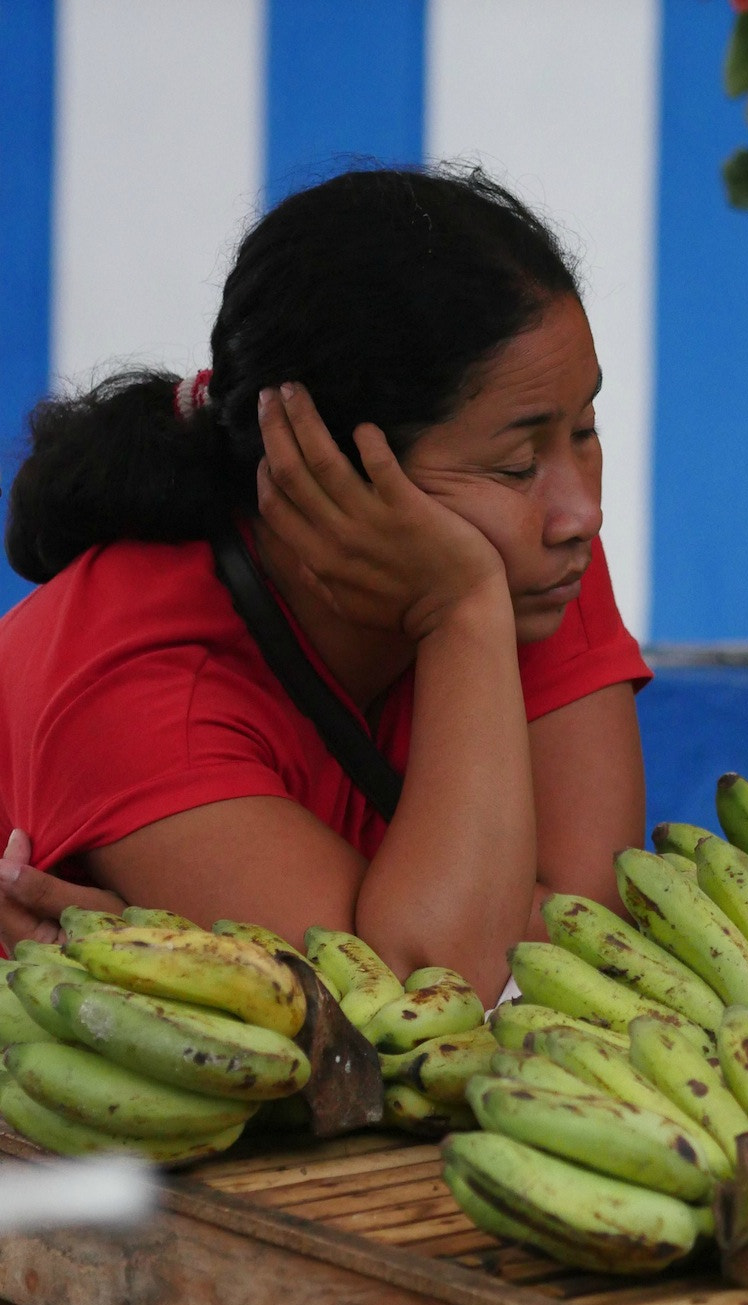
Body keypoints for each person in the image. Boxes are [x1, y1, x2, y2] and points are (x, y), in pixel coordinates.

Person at [0, 163, 650, 1008]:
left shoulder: (528, 557)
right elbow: (437, 997)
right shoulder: (138, 676)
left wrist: (186, 953)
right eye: (518, 461)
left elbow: (588, 943)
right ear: (321, 470)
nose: (580, 510)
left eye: (585, 430)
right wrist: (459, 613)